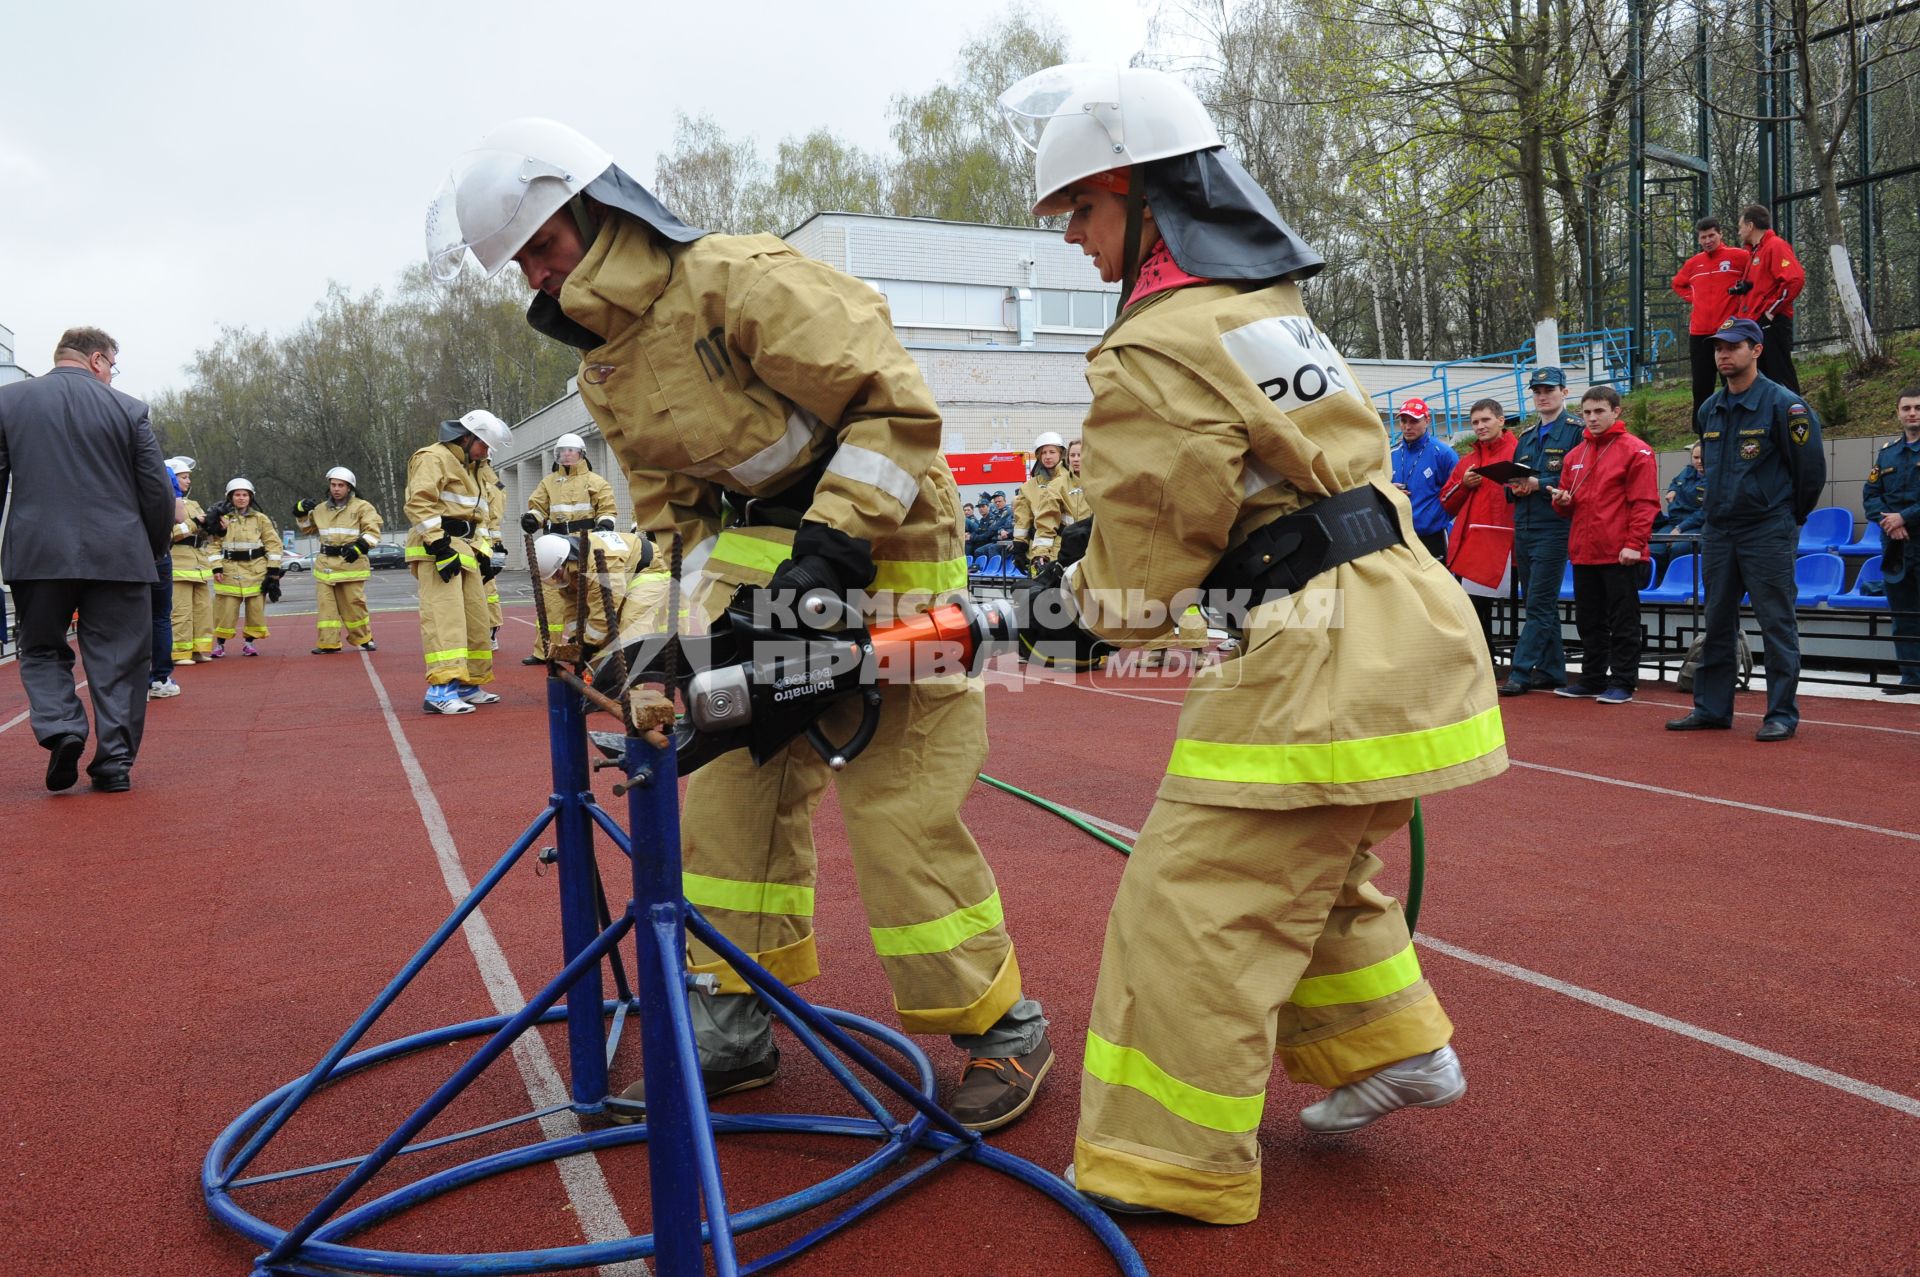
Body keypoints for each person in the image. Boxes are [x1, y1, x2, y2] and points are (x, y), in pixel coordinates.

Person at [429, 117, 1053, 1129]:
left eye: (545, 246)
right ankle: (731, 1022)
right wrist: (655, 646)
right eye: (524, 266)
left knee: (899, 815)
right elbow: (678, 526)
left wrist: (835, 547)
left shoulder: (737, 278)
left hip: (892, 556)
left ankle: (1001, 1027)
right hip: (772, 568)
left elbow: (893, 410)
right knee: (722, 783)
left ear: (597, 209)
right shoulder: (608, 368)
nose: (540, 279)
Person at [998, 64, 1505, 1222]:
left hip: (1312, 655)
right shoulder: (1259, 311)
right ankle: (1390, 1048)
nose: (1073, 238)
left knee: (1191, 905)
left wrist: (1068, 611)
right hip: (1398, 622)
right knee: (1311, 864)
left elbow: (1149, 555)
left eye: (1081, 209)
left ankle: (1162, 1165)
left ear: (1139, 196)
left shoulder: (1154, 344)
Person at [0, 326, 174, 792]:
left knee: (39, 648)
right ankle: (114, 764)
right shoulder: (130, 409)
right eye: (113, 366)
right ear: (97, 359)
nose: (113, 376)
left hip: (37, 555)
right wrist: (153, 548)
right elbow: (155, 490)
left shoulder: (9, 402)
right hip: (119, 554)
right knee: (120, 660)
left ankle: (61, 728)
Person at [1668, 318, 1825, 741]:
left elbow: (1809, 472)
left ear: (1755, 350)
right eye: (1719, 347)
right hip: (1719, 531)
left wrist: (1787, 517)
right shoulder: (1710, 409)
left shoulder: (1784, 405)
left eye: (1734, 346)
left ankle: (1781, 714)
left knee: (1776, 623)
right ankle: (1712, 708)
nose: (1723, 354)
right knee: (1717, 621)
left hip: (1766, 530)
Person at [1548, 386, 1659, 704]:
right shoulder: (1574, 455)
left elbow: (1644, 503)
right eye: (1586, 412)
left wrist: (1635, 544)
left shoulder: (1636, 451)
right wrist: (1562, 501)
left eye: (1599, 411)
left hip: (1619, 552)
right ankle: (1593, 678)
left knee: (1623, 620)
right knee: (1588, 620)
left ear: (1616, 411)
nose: (1592, 418)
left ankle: (1623, 681)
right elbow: (1566, 507)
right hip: (1584, 551)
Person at [406, 411, 511, 714]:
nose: (487, 453)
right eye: (485, 446)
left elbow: (481, 512)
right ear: (467, 438)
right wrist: (439, 546)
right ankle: (440, 690)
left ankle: (468, 684)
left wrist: (486, 551)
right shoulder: (433, 458)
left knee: (476, 620)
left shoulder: (474, 465)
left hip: (466, 548)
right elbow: (419, 503)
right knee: (446, 620)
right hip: (438, 547)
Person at [1499, 367, 1583, 696]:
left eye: (1548, 389)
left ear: (1564, 391)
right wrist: (1515, 487)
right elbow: (1511, 484)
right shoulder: (1526, 437)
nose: (1542, 396)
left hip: (1554, 525)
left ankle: (1521, 670)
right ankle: (1551, 669)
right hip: (1525, 524)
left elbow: (1576, 479)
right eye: (1536, 391)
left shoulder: (1575, 431)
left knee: (1539, 602)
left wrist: (1538, 484)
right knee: (1538, 601)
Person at [520, 433, 616, 665]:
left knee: (587, 600)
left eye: (570, 450)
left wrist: (604, 524)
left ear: (581, 453)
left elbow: (607, 509)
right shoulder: (549, 482)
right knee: (551, 602)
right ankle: (544, 650)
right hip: (556, 548)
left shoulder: (595, 481)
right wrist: (533, 518)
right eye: (561, 451)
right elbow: (538, 507)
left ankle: (585, 647)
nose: (565, 455)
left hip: (584, 548)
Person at [1439, 398, 1518, 660]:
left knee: (1534, 608)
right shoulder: (1468, 461)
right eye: (1475, 422)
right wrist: (1463, 484)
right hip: (1477, 542)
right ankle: (1484, 660)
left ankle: (1534, 667)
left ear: (1501, 420)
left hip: (1513, 542)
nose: (1480, 426)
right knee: (1474, 608)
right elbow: (1447, 503)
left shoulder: (1519, 451)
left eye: (1485, 420)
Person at [1863, 385, 1920, 693]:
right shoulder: (1887, 453)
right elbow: (1870, 496)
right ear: (1898, 413)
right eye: (1906, 408)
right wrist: (1889, 521)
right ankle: (1911, 679)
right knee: (1903, 614)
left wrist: (1904, 517)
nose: (1912, 413)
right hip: (1896, 546)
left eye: (1918, 408)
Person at [294, 467, 384, 654]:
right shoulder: (319, 509)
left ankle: (364, 638)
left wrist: (360, 547)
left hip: (351, 564)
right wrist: (300, 512)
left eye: (340, 485)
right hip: (325, 566)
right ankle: (328, 643)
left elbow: (373, 531)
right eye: (333, 485)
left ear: (349, 487)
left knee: (354, 606)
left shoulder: (362, 507)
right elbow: (306, 529)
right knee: (326, 608)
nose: (336, 489)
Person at [1671, 217, 1750, 424]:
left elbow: (1753, 280)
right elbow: (1678, 284)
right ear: (1698, 239)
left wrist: (1742, 303)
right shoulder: (1693, 263)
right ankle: (1701, 428)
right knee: (1701, 383)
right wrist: (1694, 298)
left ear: (1720, 234)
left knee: (1731, 378)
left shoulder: (1739, 256)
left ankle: (1737, 421)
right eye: (1703, 237)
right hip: (1699, 332)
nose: (1708, 240)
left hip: (1728, 329)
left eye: (1711, 236)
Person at [1730, 204, 1805, 394]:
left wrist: (1770, 312)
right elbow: (1763, 284)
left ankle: (1796, 420)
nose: (1739, 232)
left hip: (1771, 323)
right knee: (1760, 378)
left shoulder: (1775, 245)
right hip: (1755, 323)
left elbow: (1794, 280)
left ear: (1750, 225)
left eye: (1740, 226)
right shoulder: (1755, 251)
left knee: (1779, 375)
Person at [207, 479, 282, 657]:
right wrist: (216, 568)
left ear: (251, 497)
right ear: (230, 497)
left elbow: (273, 544)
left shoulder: (260, 519)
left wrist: (273, 570)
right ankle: (220, 645)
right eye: (237, 495)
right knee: (224, 611)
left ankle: (249, 643)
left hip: (256, 570)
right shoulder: (221, 519)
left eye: (245, 495)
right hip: (229, 571)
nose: (241, 498)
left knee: (255, 610)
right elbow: (213, 545)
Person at [1389, 398, 1458, 558]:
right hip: (1399, 537)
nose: (1407, 427)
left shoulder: (1443, 454)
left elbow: (1458, 493)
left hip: (1433, 536)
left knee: (1439, 583)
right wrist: (1389, 490)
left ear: (1427, 420)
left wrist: (1435, 517)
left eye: (1414, 421)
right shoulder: (1391, 454)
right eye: (1403, 421)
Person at [166, 457, 217, 665]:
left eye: (188, 477)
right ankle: (180, 652)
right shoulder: (165, 502)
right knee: (181, 611)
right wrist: (195, 523)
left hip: (199, 564)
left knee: (203, 610)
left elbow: (204, 532)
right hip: (179, 564)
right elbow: (169, 534)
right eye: (183, 477)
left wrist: (215, 525)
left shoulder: (193, 504)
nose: (188, 481)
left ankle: (199, 649)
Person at [1012, 431, 1067, 573]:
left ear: (1061, 454)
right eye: (1043, 453)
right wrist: (1019, 546)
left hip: (1067, 548)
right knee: (1041, 593)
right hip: (1037, 552)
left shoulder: (1072, 482)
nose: (1047, 456)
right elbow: (1022, 521)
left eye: (1052, 452)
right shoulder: (1028, 487)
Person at [1651, 441, 1708, 571]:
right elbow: (1676, 481)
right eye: (1696, 457)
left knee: (1678, 549)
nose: (1699, 461)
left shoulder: (1717, 478)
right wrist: (1673, 489)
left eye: (1703, 458)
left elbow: (1706, 511)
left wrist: (1680, 528)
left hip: (1697, 526)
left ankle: (1674, 582)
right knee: (1653, 548)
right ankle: (1656, 583)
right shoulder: (1688, 470)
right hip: (1674, 522)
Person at [475, 452, 508, 650]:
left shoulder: (492, 483)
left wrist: (496, 547)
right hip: (469, 540)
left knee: (488, 590)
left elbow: (495, 518)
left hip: (484, 543)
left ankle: (490, 632)